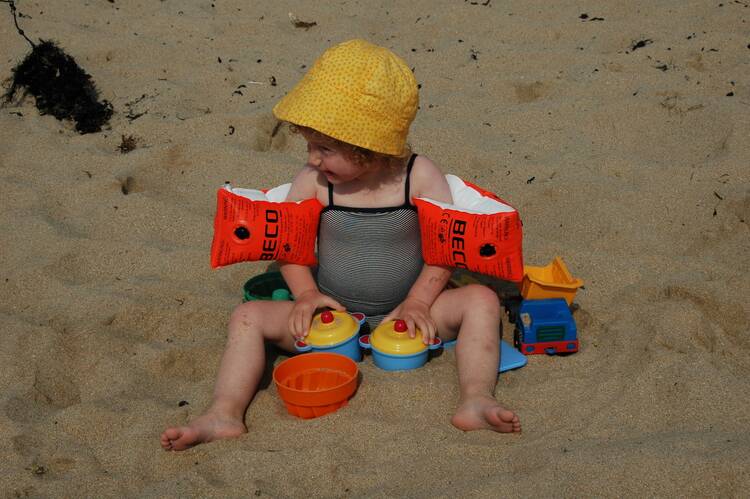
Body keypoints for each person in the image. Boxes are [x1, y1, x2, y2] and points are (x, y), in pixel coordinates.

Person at [161, 39, 520, 451]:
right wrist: (306, 295)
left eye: (325, 149)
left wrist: (420, 301)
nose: (313, 159)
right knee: (247, 316)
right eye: (310, 146)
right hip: (329, 313)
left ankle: (476, 399)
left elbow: (445, 249)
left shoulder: (418, 177)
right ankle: (223, 413)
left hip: (412, 311)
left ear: (368, 147)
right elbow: (289, 245)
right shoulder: (314, 183)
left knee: (481, 301)